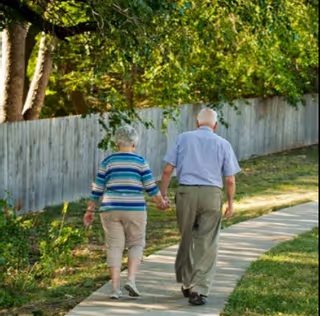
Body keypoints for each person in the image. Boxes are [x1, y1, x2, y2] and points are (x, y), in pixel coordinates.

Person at [160, 108, 241, 306]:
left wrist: (162, 194)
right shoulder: (223, 143)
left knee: (187, 237)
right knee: (207, 242)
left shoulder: (183, 138)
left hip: (186, 193)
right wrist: (230, 204)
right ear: (215, 125)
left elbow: (168, 169)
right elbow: (230, 179)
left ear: (197, 123)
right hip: (211, 194)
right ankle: (199, 289)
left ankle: (188, 283)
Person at [84, 125, 168, 300]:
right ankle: (131, 279)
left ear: (116, 143)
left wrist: (90, 209)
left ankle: (115, 288)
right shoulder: (140, 161)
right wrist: (161, 203)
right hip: (134, 208)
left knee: (114, 246)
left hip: (110, 208)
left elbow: (97, 188)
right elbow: (151, 188)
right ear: (134, 143)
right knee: (136, 243)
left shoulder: (107, 162)